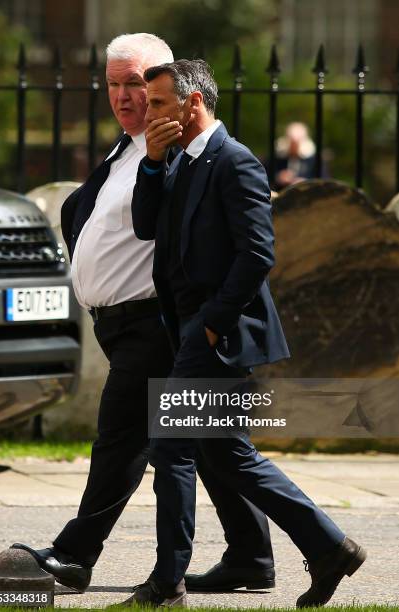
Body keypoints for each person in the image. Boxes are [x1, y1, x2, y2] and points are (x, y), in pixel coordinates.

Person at [10, 34, 276, 595]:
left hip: (154, 323)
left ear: (171, 86)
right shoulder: (126, 148)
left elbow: (232, 244)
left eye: (138, 84)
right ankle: (254, 554)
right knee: (209, 442)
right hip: (122, 324)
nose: (127, 96)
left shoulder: (182, 149)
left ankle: (75, 555)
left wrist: (203, 320)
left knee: (122, 438)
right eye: (115, 83)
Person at [128, 59, 366, 608]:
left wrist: (210, 326)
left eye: (159, 102)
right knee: (226, 455)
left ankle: (166, 584)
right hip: (188, 328)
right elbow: (146, 226)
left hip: (218, 332)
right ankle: (317, 549)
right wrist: (152, 161)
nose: (149, 111)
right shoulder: (176, 161)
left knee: (173, 448)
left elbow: (258, 253)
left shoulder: (234, 162)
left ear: (192, 104)